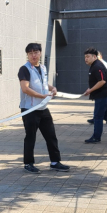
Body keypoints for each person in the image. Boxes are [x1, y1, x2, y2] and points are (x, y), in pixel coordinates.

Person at [18, 42, 70, 174]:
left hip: (42, 108)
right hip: (30, 109)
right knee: (30, 137)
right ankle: (28, 163)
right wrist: (42, 95)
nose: (33, 55)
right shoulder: (24, 69)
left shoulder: (42, 67)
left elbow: (43, 83)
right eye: (30, 53)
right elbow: (25, 88)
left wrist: (52, 88)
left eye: (35, 52)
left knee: (51, 135)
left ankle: (55, 162)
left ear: (40, 53)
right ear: (27, 55)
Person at [87, 52, 107, 125]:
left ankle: (96, 136)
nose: (86, 59)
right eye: (85, 57)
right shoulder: (95, 65)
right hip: (104, 91)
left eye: (88, 57)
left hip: (104, 92)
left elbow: (102, 81)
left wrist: (90, 90)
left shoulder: (99, 65)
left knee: (99, 116)